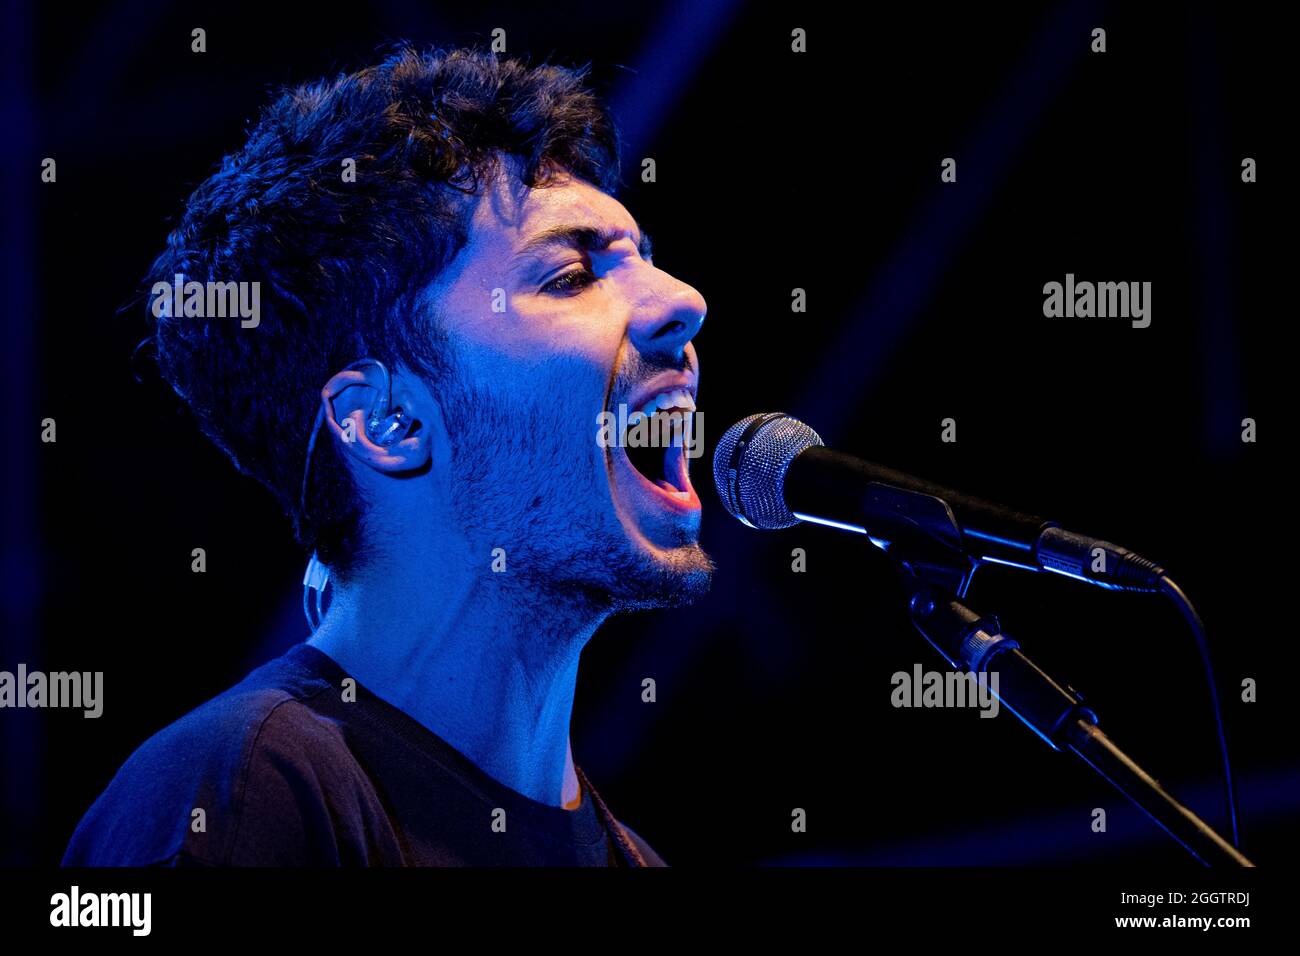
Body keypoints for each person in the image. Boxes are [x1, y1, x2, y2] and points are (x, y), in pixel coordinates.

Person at [63, 44, 711, 867]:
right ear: (387, 421)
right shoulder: (245, 794)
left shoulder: (633, 859)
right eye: (573, 274)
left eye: (644, 259)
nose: (684, 302)